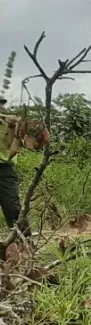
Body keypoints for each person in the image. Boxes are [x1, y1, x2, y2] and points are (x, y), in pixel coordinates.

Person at [0, 97, 21, 230]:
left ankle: (23, 240)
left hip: (4, 170)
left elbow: (12, 145)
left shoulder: (9, 123)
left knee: (12, 208)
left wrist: (12, 126)